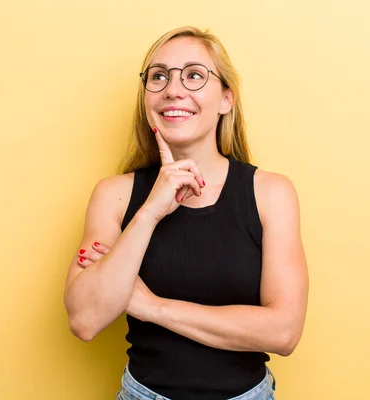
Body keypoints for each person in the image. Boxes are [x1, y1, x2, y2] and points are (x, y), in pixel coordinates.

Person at [63, 26, 309, 400]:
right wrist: (148, 213)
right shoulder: (114, 195)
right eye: (158, 76)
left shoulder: (271, 193)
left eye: (194, 75)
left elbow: (283, 332)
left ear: (226, 98)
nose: (173, 89)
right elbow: (84, 319)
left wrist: (153, 307)